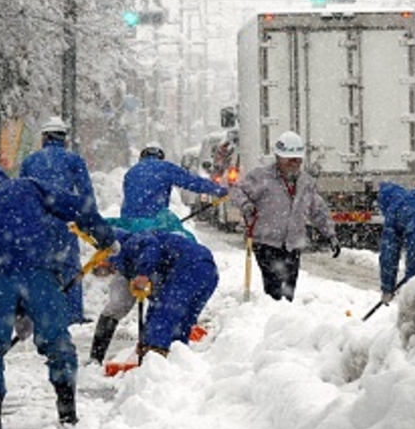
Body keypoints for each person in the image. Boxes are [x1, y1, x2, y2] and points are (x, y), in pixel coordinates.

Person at [0, 158, 108, 429]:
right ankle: (67, 410)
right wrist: (105, 235)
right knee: (58, 342)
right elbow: (77, 207)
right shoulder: (29, 187)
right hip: (39, 273)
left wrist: (13, 309)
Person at [87, 143, 227, 364]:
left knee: (118, 304)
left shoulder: (132, 173)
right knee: (165, 302)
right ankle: (158, 353)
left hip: (129, 244)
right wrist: (219, 190)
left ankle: (96, 356)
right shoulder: (164, 170)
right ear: (159, 157)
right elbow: (192, 182)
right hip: (153, 247)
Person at [18, 115, 113, 324]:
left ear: (44, 137)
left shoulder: (29, 161)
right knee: (69, 267)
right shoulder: (74, 160)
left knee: (36, 266)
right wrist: (92, 224)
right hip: (65, 222)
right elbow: (86, 195)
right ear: (64, 138)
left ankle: (35, 313)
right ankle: (72, 315)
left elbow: (21, 193)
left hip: (37, 222)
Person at [229, 130, 339, 302]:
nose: (293, 164)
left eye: (297, 159)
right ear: (278, 157)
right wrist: (245, 205)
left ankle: (285, 324)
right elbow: (236, 190)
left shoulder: (306, 183)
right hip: (266, 243)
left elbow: (318, 210)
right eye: (289, 159)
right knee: (273, 289)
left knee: (289, 291)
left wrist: (330, 235)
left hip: (292, 244)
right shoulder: (261, 177)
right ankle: (270, 318)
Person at [107, 229, 219, 359]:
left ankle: (156, 357)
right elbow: (156, 303)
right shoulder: (156, 261)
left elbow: (151, 247)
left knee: (165, 314)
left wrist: (143, 273)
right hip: (209, 272)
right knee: (182, 320)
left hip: (189, 266)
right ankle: (176, 358)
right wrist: (145, 340)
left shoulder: (132, 242)